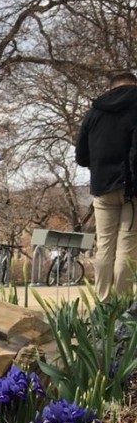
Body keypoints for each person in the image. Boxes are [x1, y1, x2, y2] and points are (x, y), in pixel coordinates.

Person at [75, 70, 137, 300]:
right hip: (133, 190)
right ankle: (121, 306)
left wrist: (100, 166)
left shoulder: (94, 113)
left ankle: (103, 304)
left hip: (102, 188)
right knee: (127, 248)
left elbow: (81, 157)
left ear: (110, 88)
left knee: (104, 247)